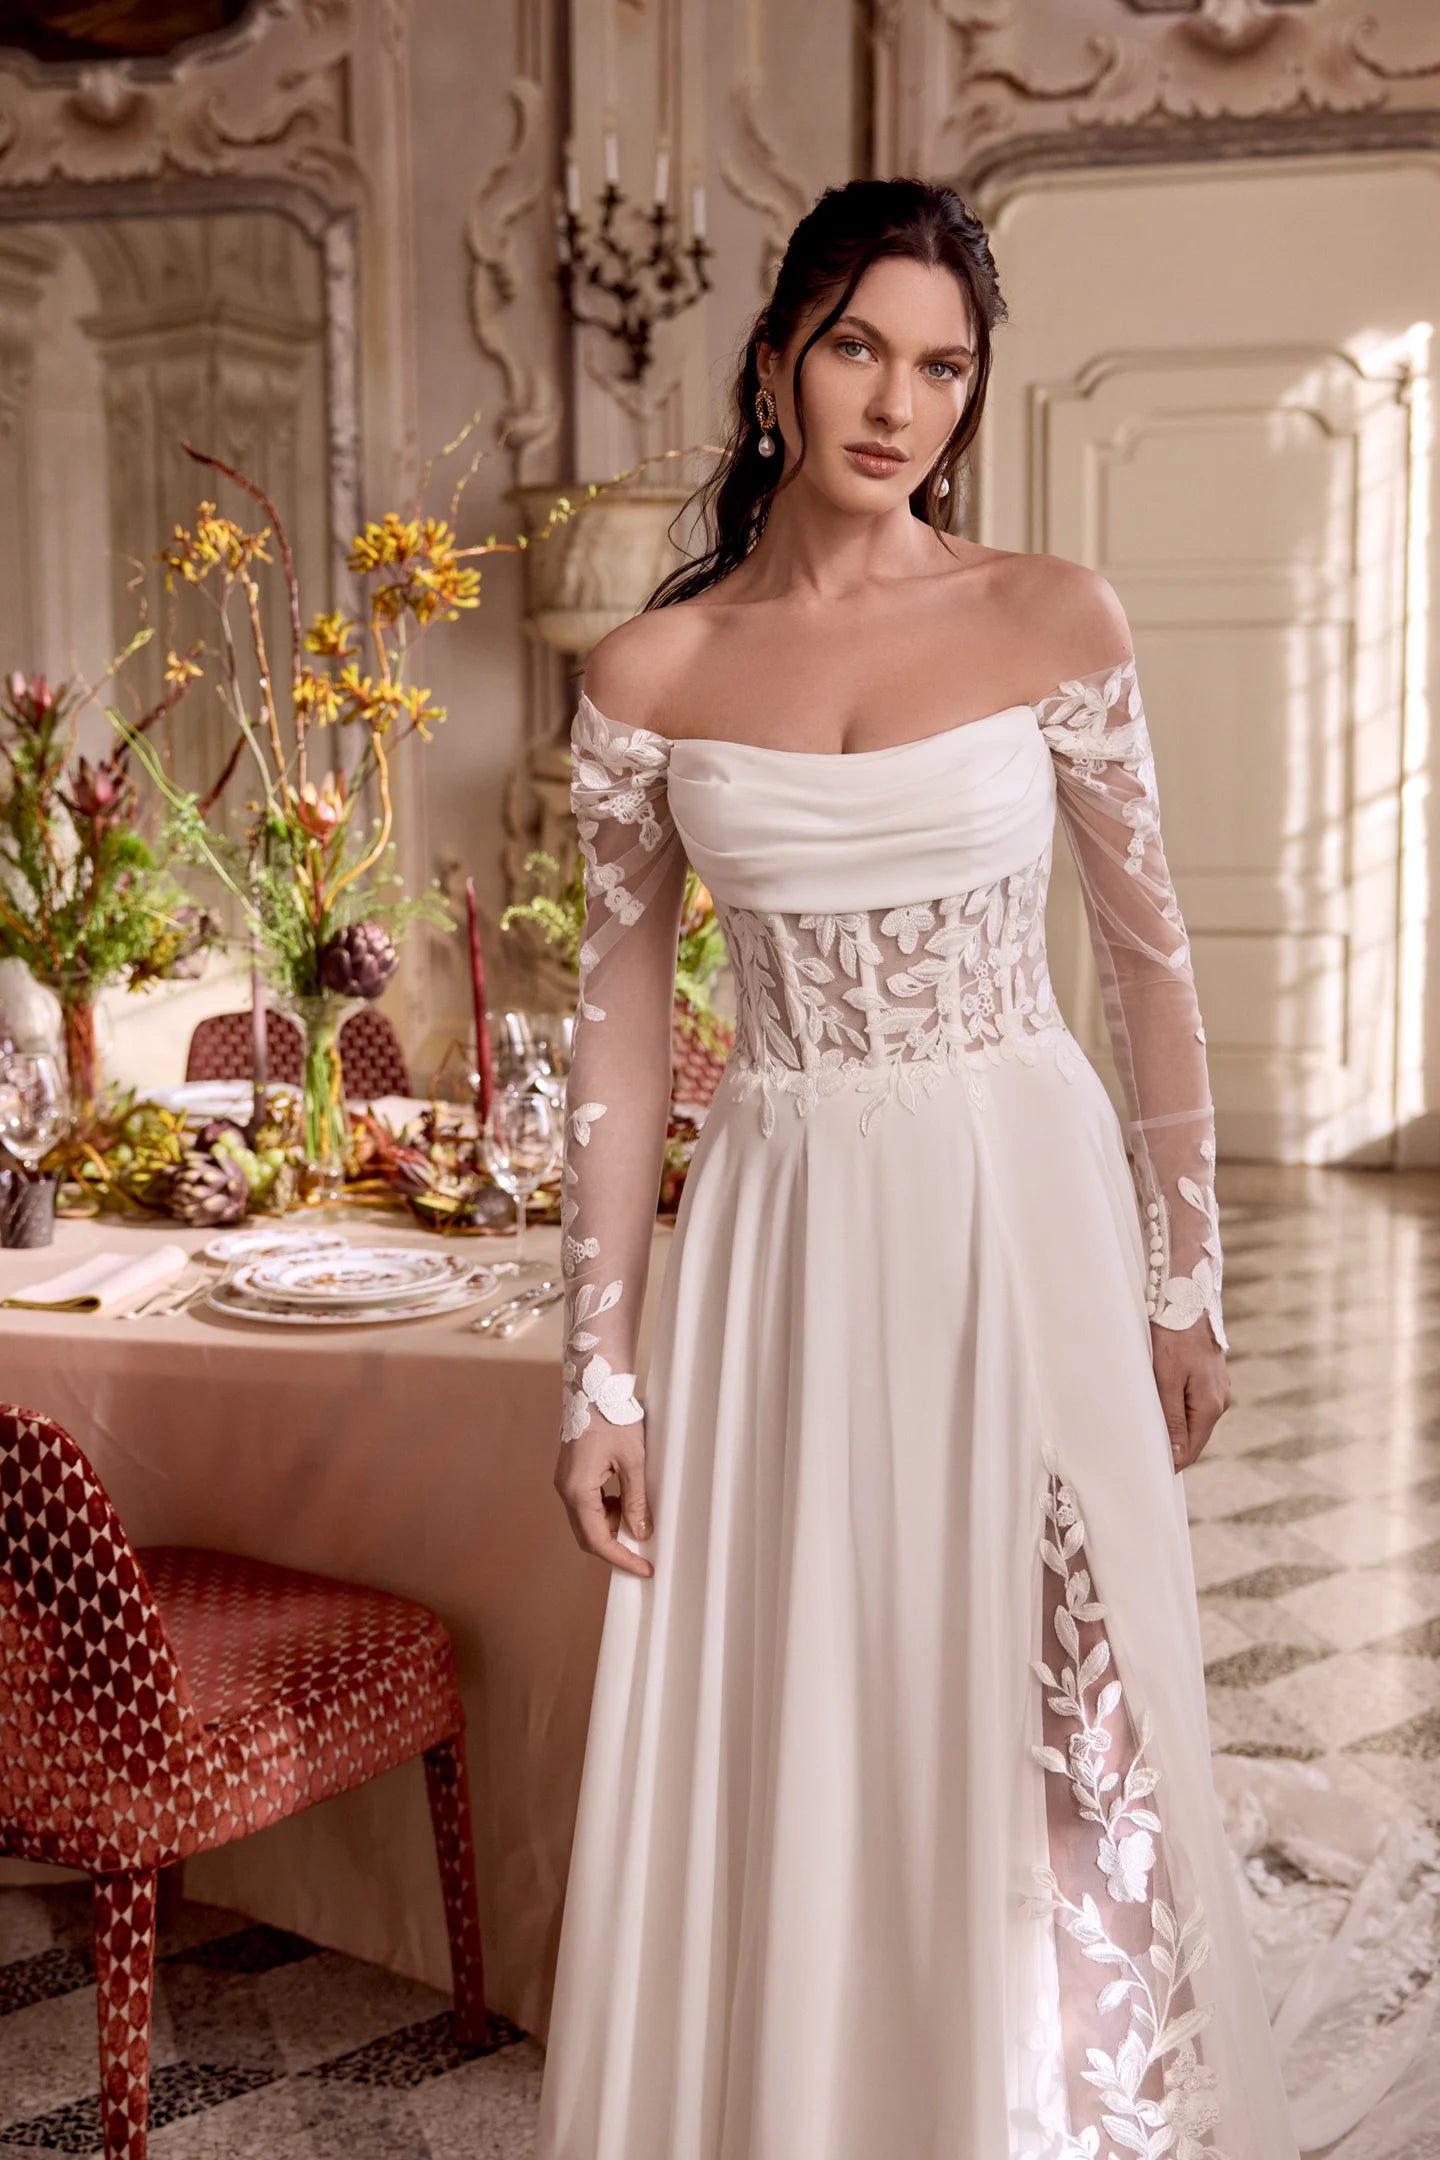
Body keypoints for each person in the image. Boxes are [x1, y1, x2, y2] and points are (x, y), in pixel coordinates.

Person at [534, 178, 1299, 2160]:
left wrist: (1183, 1273)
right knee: (819, 1684)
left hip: (1020, 1192)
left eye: (944, 364)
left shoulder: (1052, 615)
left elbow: (1145, 962)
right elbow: (619, 1041)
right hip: (786, 1223)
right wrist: (600, 1373)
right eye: (860, 345)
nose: (899, 401)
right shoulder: (646, 675)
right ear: (777, 353)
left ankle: (1078, 2114)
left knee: (1065, 1662)